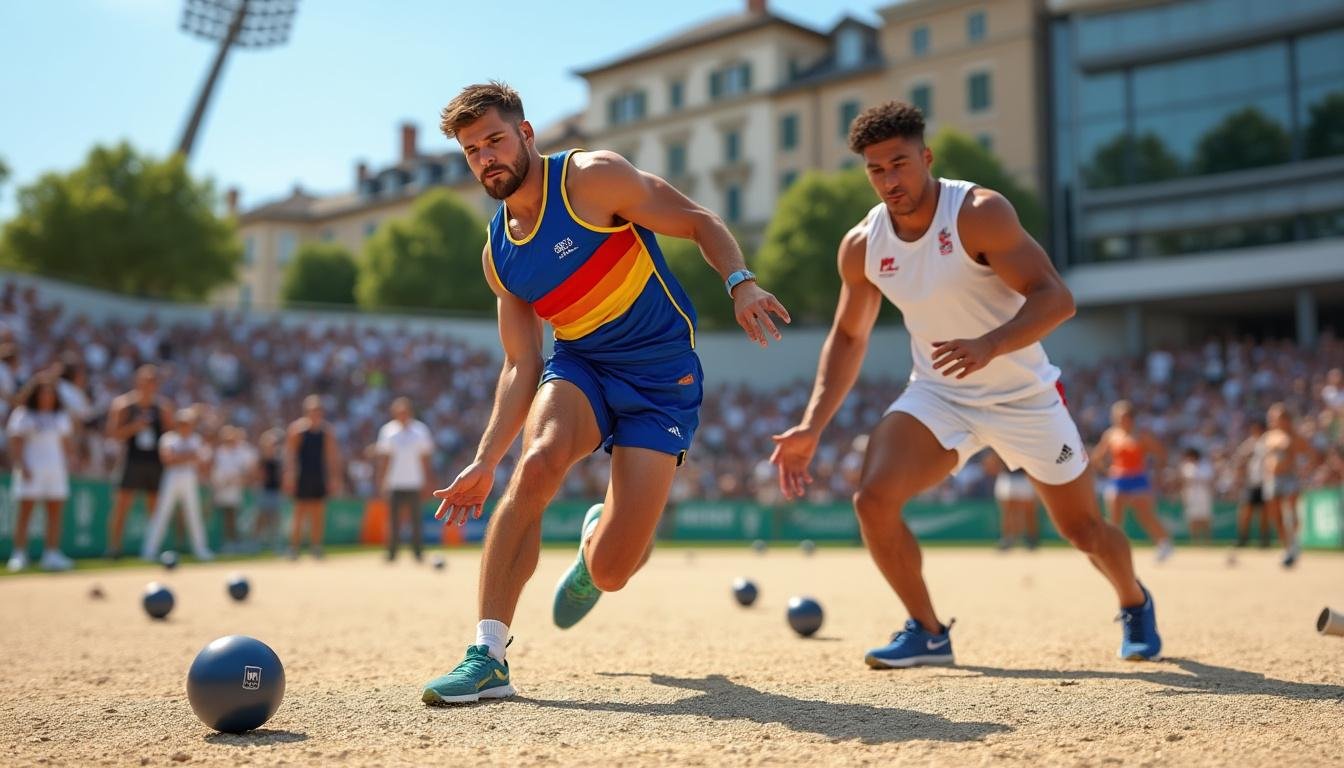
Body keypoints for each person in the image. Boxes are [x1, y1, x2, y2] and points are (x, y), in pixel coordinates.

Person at [421, 81, 789, 704]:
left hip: (660, 379)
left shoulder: (593, 179)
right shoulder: (500, 254)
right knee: (535, 465)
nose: (486, 157)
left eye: (494, 140)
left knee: (614, 570)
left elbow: (700, 221)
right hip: (583, 365)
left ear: (526, 134)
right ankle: (488, 654)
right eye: (471, 150)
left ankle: (597, 542)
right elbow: (519, 364)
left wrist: (741, 283)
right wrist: (485, 461)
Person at [770, 101, 1160, 669]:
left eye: (900, 164)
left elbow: (1057, 298)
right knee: (873, 499)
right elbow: (849, 339)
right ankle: (928, 632)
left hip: (1024, 394)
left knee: (1083, 530)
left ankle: (1134, 601)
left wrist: (990, 344)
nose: (889, 180)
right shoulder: (862, 244)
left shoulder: (979, 212)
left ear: (926, 158)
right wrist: (811, 426)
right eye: (876, 170)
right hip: (940, 392)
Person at [5, 376, 75, 572]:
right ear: (35, 394)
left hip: (55, 469)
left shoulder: (60, 416)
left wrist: (71, 460)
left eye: (51, 393)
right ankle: (19, 554)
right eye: (44, 393)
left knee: (54, 512)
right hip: (31, 468)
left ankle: (51, 554)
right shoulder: (23, 414)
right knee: (25, 511)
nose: (47, 397)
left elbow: (66, 444)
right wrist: (22, 465)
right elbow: (15, 442)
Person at [104, 365, 174, 559]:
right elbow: (113, 434)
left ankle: (153, 549)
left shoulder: (163, 407)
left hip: (154, 462)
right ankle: (114, 548)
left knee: (155, 507)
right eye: (146, 381)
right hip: (131, 460)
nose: (150, 385)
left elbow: (171, 434)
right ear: (138, 382)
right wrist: (135, 427)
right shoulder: (124, 405)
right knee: (121, 505)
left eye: (153, 381)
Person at [1091, 400, 1173, 562]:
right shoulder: (1111, 435)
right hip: (1118, 479)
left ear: (1131, 417)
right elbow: (1097, 457)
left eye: (1124, 416)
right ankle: (1112, 550)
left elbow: (1161, 454)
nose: (1120, 420)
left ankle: (1164, 544)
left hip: (1138, 478)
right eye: (1117, 416)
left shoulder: (1142, 435)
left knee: (1145, 515)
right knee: (1114, 517)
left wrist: (1157, 473)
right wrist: (1107, 471)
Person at [141, 407, 214, 562]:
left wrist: (180, 457)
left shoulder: (196, 439)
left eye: (187, 423)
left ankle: (201, 550)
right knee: (161, 514)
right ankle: (149, 551)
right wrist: (189, 456)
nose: (184, 425)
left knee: (194, 515)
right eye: (182, 422)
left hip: (189, 478)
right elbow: (168, 459)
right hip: (171, 478)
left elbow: (202, 461)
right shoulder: (169, 438)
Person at [375, 397, 434, 562]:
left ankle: (418, 552)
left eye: (405, 411)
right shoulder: (388, 431)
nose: (402, 415)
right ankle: (392, 552)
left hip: (415, 482)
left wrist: (428, 481)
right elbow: (384, 459)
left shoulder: (420, 431)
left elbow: (425, 459)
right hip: (394, 482)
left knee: (416, 520)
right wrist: (382, 480)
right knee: (393, 520)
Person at [284, 394, 341, 559]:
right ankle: (294, 548)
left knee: (318, 514)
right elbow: (291, 455)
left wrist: (333, 478)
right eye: (312, 410)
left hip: (318, 475)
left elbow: (331, 457)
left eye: (318, 410)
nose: (315, 413)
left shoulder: (326, 431)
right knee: (300, 513)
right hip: (302, 475)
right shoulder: (297, 430)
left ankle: (316, 547)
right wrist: (290, 475)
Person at [1262, 402, 1307, 568]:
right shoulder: (1270, 435)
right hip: (1273, 479)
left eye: (1277, 417)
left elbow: (1307, 453)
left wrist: (1304, 470)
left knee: (1291, 510)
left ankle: (1294, 542)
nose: (1273, 420)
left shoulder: (1295, 435)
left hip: (1290, 477)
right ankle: (1286, 547)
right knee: (1276, 515)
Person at [210, 425, 258, 554]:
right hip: (222, 491)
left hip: (241, 492)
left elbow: (251, 470)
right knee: (225, 518)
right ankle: (227, 544)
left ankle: (242, 543)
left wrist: (241, 479)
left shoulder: (244, 451)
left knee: (242, 519)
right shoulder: (219, 452)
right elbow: (214, 471)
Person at [985, 452, 1039, 551]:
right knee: (1008, 511)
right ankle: (1007, 539)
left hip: (1025, 476)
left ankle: (1031, 539)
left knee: (1029, 511)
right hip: (1008, 476)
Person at [253, 427, 285, 554]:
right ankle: (255, 543)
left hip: (275, 492)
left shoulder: (278, 460)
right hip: (264, 492)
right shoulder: (261, 460)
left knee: (275, 520)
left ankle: (276, 545)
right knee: (261, 518)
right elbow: (257, 475)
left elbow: (281, 477)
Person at [1178, 448, 1214, 544]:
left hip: (1203, 495)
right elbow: (1183, 482)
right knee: (1192, 518)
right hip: (1190, 495)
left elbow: (1209, 480)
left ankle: (1207, 540)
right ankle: (1195, 541)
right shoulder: (1186, 467)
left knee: (1205, 518)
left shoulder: (1205, 466)